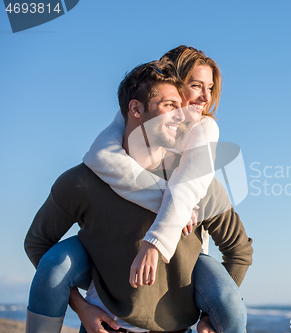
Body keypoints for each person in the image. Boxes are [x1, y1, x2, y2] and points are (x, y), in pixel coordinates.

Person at [25, 54, 253, 333]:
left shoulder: (200, 187)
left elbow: (239, 251)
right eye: (170, 105)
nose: (182, 116)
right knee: (57, 260)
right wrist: (81, 307)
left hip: (176, 329)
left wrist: (211, 317)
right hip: (106, 328)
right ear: (136, 109)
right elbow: (37, 243)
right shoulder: (85, 180)